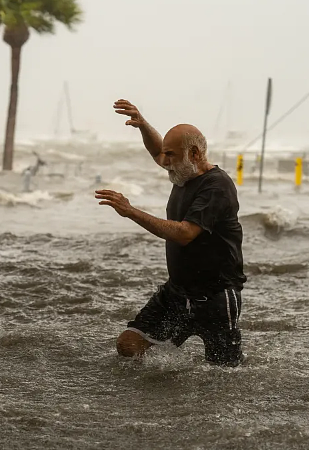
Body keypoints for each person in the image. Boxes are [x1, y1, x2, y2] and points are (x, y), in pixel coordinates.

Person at [95, 99, 246, 366]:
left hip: (216, 297)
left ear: (196, 154)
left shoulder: (216, 186)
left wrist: (131, 211)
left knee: (224, 374)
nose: (165, 162)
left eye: (172, 156)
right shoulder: (182, 172)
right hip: (177, 293)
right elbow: (157, 152)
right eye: (166, 155)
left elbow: (185, 233)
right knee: (129, 345)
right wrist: (142, 125)